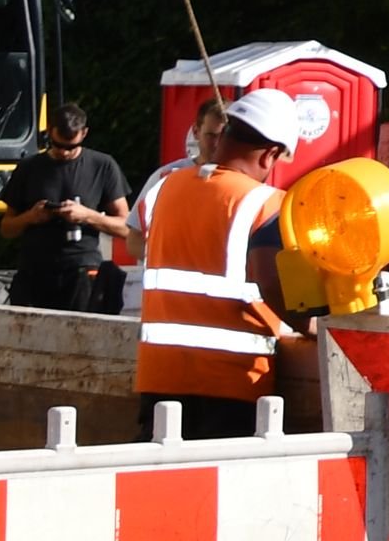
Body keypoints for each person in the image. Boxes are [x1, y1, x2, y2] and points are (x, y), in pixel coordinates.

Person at [126, 87, 312, 440]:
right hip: (232, 381)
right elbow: (274, 287)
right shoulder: (266, 203)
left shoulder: (165, 188)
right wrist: (313, 327)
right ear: (270, 154)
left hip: (159, 375)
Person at [0, 102, 130, 314]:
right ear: (50, 131)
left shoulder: (102, 165)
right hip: (35, 272)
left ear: (84, 133)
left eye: (71, 147)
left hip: (81, 270)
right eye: (57, 145)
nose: (64, 153)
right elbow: (6, 228)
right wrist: (30, 217)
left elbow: (126, 227)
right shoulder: (28, 168)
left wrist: (86, 215)